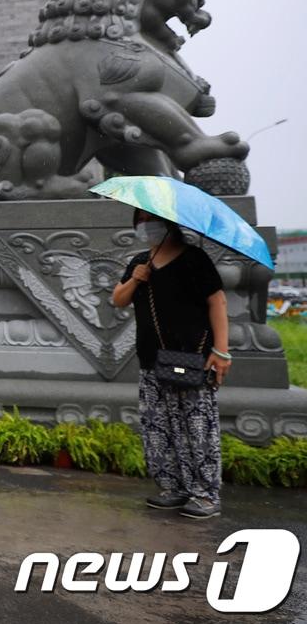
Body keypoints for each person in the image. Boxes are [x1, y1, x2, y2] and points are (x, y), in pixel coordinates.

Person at [111, 209, 231, 520]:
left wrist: (222, 350)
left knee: (196, 426)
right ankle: (173, 487)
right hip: (153, 360)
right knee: (159, 427)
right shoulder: (139, 263)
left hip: (193, 357)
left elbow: (217, 302)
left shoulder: (194, 259)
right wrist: (136, 280)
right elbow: (118, 299)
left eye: (151, 222)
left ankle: (205, 494)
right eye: (139, 222)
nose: (145, 228)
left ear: (168, 226)